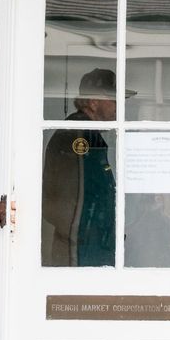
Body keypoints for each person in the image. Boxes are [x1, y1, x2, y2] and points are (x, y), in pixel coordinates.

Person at [42, 68, 118, 266]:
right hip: (82, 249)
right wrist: (85, 238)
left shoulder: (88, 132)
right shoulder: (78, 134)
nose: (119, 106)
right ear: (93, 102)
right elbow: (74, 197)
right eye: (114, 100)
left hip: (92, 244)